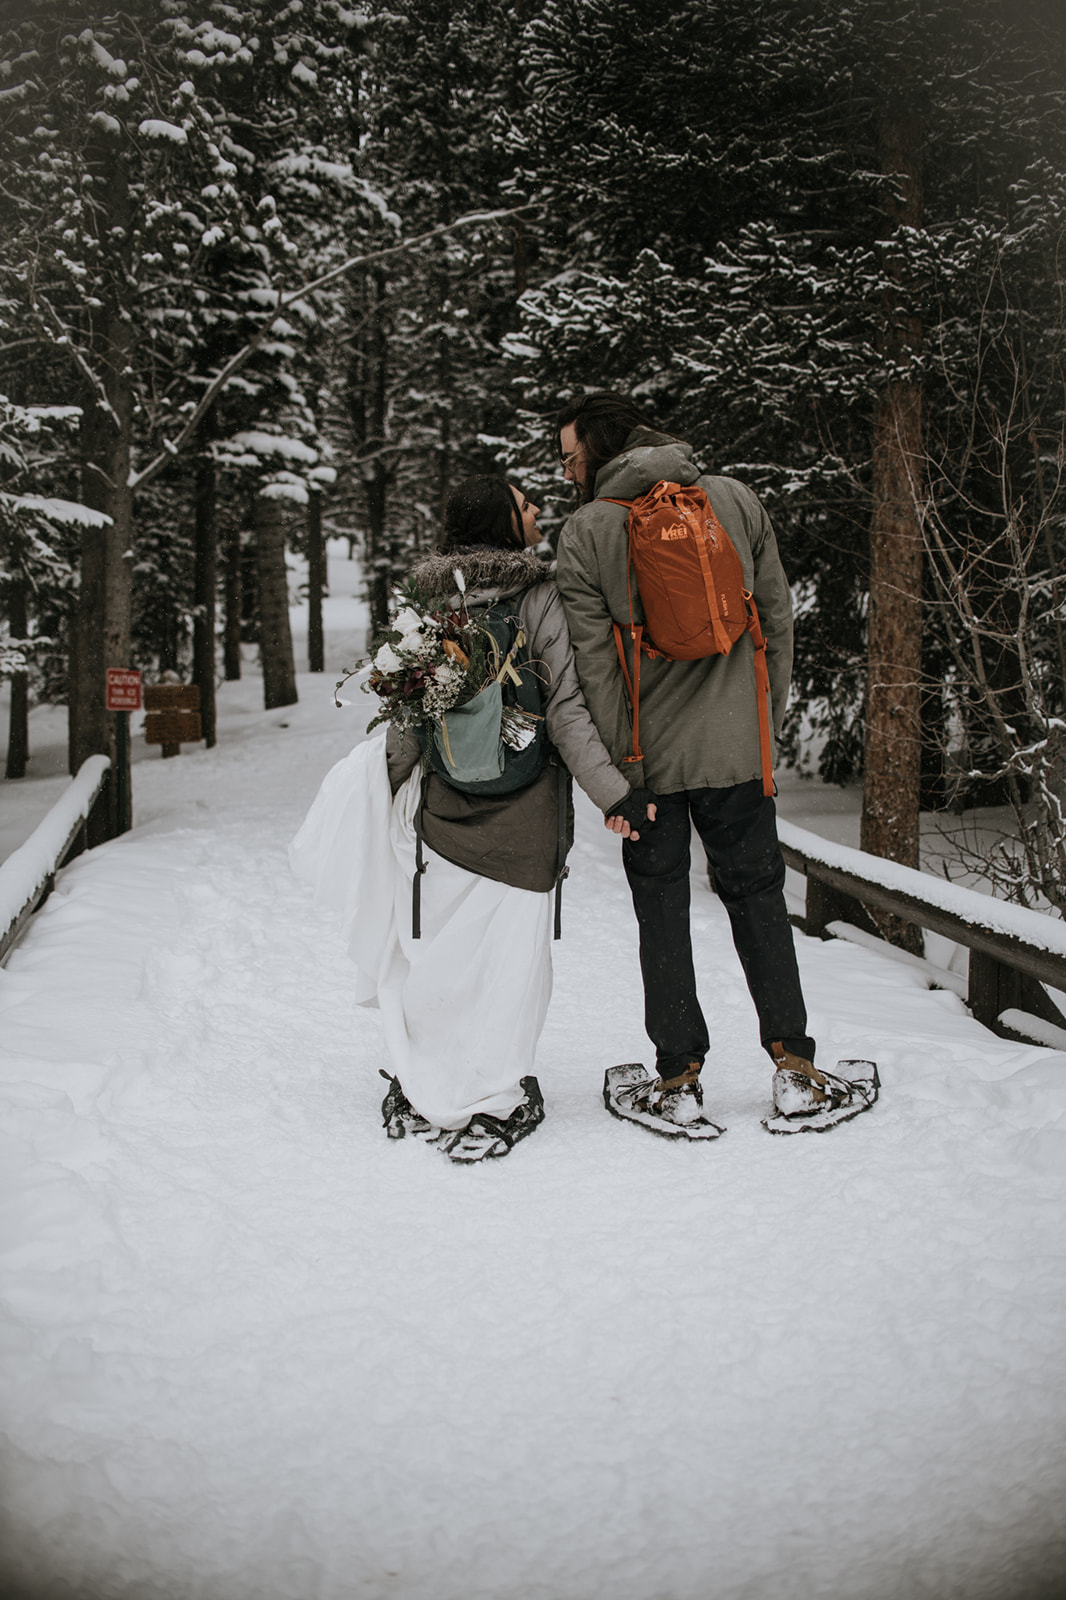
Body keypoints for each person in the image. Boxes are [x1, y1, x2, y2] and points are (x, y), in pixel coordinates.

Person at [291, 474, 650, 1163]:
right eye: (524, 503)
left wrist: (380, 792)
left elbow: (409, 722)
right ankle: (493, 1092)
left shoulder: (432, 600)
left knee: (438, 958)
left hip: (444, 815)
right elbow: (567, 711)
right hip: (526, 816)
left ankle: (424, 1073)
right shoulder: (540, 596)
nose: (537, 509)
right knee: (509, 964)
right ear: (501, 518)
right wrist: (615, 794)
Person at [554, 391, 870, 1135]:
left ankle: (678, 1080)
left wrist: (619, 776)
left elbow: (596, 665)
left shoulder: (587, 531)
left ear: (598, 450)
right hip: (737, 750)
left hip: (648, 765)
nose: (566, 471)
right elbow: (777, 620)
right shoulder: (732, 499)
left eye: (569, 456)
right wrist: (762, 725)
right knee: (759, 901)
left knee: (660, 912)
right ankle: (794, 1068)